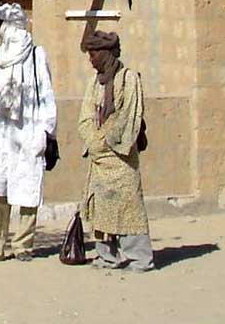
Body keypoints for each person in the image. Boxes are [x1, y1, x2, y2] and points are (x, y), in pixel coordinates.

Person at [0, 2, 56, 261]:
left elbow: (45, 93)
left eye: (0, 25)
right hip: (0, 134)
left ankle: (23, 246)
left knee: (27, 190)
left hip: (28, 131)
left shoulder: (36, 55)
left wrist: (47, 129)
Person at [77, 31, 151, 271]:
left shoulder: (128, 79)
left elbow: (127, 115)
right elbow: (86, 115)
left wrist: (106, 141)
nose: (91, 58)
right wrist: (93, 140)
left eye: (94, 53)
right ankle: (108, 256)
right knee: (101, 208)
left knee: (128, 207)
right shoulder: (93, 83)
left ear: (107, 53)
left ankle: (139, 258)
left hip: (121, 158)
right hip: (99, 158)